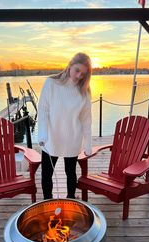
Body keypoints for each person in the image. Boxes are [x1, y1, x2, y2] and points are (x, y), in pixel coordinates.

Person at [37, 52, 92, 200]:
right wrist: (42, 134)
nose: (79, 76)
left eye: (83, 74)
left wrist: (88, 143)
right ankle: (47, 201)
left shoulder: (84, 91)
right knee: (46, 173)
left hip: (72, 137)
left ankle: (71, 200)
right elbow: (43, 110)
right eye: (77, 70)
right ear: (70, 65)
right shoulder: (51, 83)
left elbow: (86, 119)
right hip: (51, 137)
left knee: (71, 172)